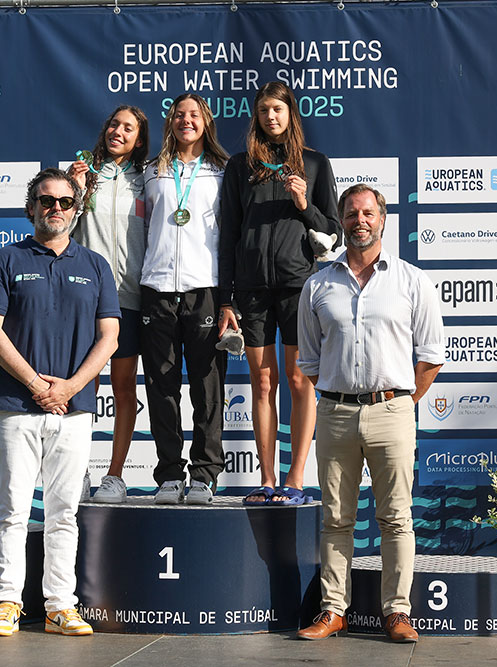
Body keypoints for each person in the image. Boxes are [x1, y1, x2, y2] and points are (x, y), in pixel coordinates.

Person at [295, 183, 444, 643]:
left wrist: (401, 404)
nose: (359, 220)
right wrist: (340, 397)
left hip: (392, 411)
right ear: (341, 221)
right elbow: (310, 361)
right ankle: (332, 611)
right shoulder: (318, 284)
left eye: (367, 213)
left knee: (396, 518)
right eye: (351, 213)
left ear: (382, 219)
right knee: (336, 519)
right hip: (335, 413)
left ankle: (397, 613)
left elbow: (431, 356)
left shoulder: (411, 281)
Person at [0, 168, 120, 637]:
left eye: (65, 201)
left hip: (73, 410)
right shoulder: (5, 259)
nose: (55, 208)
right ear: (31, 207)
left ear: (76, 210)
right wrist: (38, 384)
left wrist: (69, 388)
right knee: (12, 512)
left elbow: (110, 337)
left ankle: (60, 606)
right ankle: (6, 603)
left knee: (64, 514)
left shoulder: (96, 265)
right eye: (46, 200)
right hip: (16, 406)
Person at [218, 82, 341, 506]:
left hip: (297, 287)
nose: (271, 117)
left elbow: (334, 232)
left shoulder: (315, 163)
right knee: (262, 381)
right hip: (251, 289)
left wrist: (304, 204)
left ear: (291, 113)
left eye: (278, 109)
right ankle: (267, 478)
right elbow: (228, 236)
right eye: (264, 110)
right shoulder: (240, 167)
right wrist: (226, 298)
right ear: (256, 115)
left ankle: (296, 478)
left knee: (298, 379)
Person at [140, 93, 230, 505]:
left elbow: (230, 237)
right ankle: (170, 475)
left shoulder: (223, 171)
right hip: (156, 288)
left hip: (204, 289)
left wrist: (229, 298)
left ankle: (205, 475)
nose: (186, 120)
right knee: (161, 388)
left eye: (194, 115)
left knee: (207, 389)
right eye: (179, 115)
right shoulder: (151, 171)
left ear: (206, 122)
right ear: (170, 122)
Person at [70, 105, 150, 504]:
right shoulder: (84, 174)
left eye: (128, 128)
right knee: (84, 385)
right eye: (115, 124)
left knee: (123, 385)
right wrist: (75, 189)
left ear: (139, 138)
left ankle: (115, 475)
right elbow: (62, 230)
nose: (119, 131)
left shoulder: (148, 179)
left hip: (131, 297)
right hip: (87, 296)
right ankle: (77, 470)